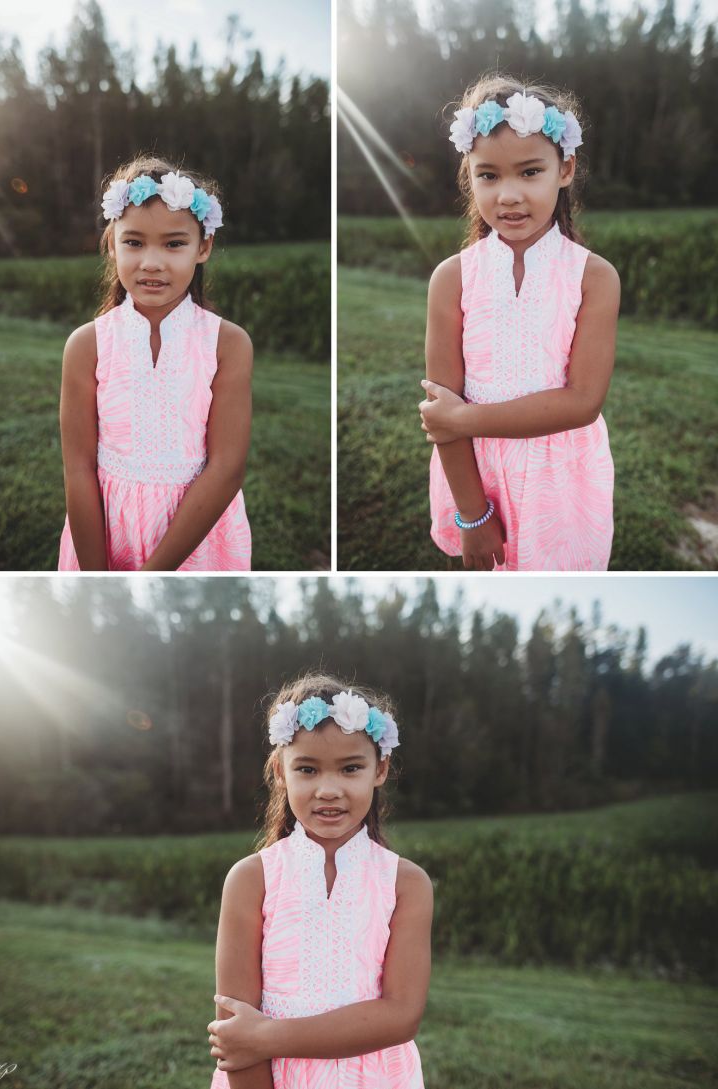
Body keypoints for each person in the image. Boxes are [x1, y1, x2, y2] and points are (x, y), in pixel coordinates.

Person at [420, 73, 620, 571]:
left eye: (530, 172)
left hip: (562, 480)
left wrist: (467, 418)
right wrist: (473, 514)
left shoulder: (593, 277)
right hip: (476, 474)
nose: (508, 195)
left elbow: (583, 401)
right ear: (469, 173)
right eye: (489, 175)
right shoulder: (452, 279)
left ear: (565, 168)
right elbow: (442, 405)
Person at [206, 672, 432, 1088]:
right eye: (307, 769)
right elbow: (236, 1033)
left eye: (350, 768)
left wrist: (267, 1037)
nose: (328, 789)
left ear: (380, 769)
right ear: (280, 770)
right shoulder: (251, 879)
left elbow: (401, 1015)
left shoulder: (406, 884)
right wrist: (251, 1042)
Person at [58, 155, 252, 571]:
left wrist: (152, 575)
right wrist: (98, 579)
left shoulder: (228, 344)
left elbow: (227, 469)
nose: (151, 262)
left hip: (194, 539)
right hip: (109, 533)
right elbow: (78, 469)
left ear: (203, 247)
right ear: (112, 244)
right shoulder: (86, 346)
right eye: (133, 242)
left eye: (173, 243)